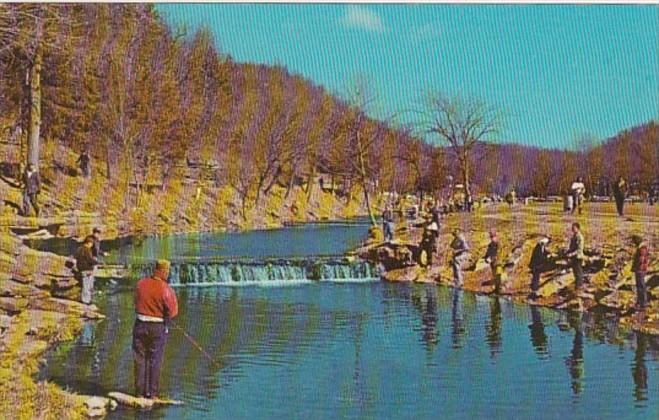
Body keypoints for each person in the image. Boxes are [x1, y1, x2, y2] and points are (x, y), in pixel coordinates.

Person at [133, 259, 178, 399]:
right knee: (155, 360)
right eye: (167, 271)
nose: (168, 274)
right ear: (164, 271)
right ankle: (152, 394)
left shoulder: (140, 284)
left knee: (139, 359)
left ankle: (139, 393)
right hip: (157, 327)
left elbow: (135, 302)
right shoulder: (166, 288)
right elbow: (173, 311)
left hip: (140, 324)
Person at [74, 236, 97, 304]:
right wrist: (96, 262)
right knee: (87, 286)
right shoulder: (87, 250)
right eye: (91, 244)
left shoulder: (79, 249)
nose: (91, 246)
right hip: (87, 269)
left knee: (85, 285)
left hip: (81, 269)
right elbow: (90, 260)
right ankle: (86, 301)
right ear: (89, 243)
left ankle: (85, 299)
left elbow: (76, 258)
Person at [631, 236, 649, 311]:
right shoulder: (643, 247)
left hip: (640, 270)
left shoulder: (641, 248)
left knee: (641, 286)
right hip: (641, 270)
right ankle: (640, 302)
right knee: (640, 286)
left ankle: (643, 304)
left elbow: (640, 260)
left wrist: (635, 267)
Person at [566, 223, 585, 291]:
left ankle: (579, 287)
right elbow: (572, 247)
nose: (572, 229)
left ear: (578, 228)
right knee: (575, 272)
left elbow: (579, 249)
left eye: (574, 228)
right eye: (572, 228)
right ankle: (577, 287)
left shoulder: (580, 237)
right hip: (574, 257)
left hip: (578, 257)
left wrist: (571, 254)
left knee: (578, 273)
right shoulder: (574, 236)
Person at [483, 229, 501, 293]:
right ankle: (496, 289)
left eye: (492, 236)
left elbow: (498, 253)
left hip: (497, 262)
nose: (492, 238)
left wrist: (491, 258)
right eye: (491, 236)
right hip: (492, 262)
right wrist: (486, 257)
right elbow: (488, 252)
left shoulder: (497, 244)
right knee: (494, 274)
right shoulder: (491, 244)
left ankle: (498, 289)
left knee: (498, 275)